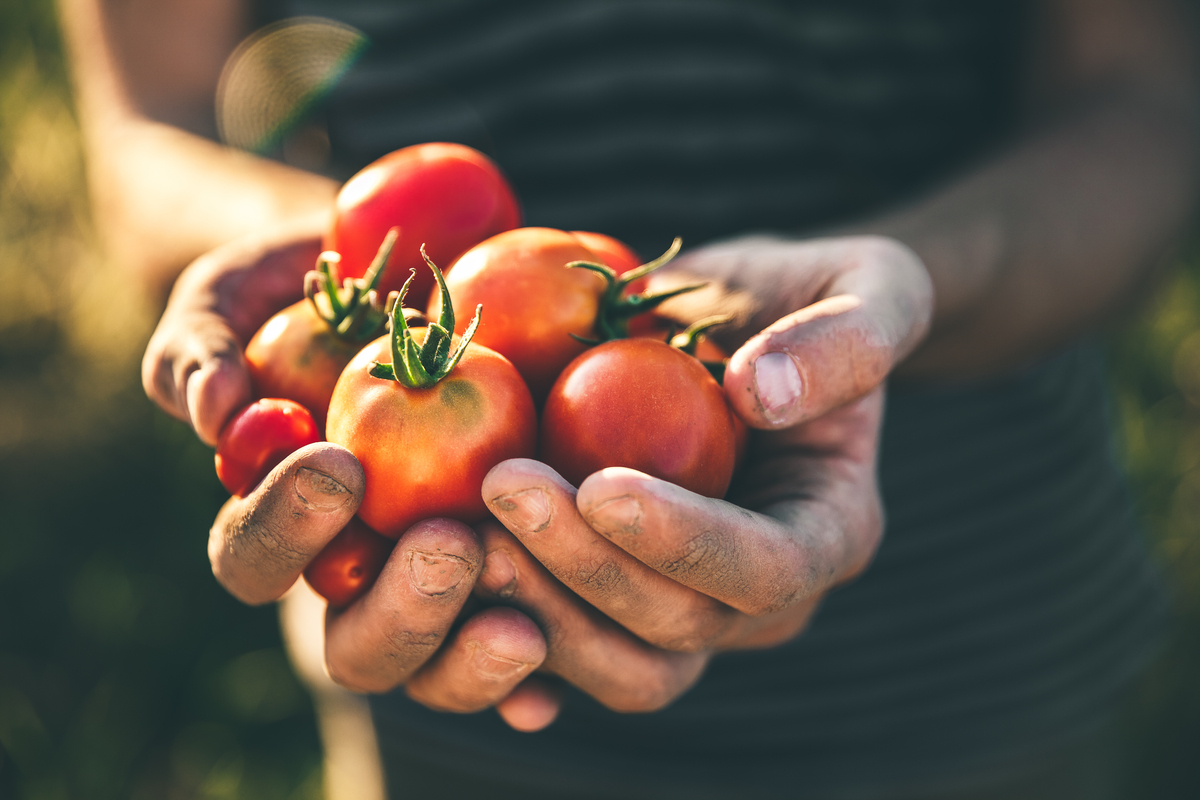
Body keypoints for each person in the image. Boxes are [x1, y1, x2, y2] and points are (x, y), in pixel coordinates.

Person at [60, 0, 1199, 797]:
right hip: (443, 681)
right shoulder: (470, 353)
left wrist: (902, 292)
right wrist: (303, 279)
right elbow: (149, 124)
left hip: (982, 653)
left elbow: (1145, 104)